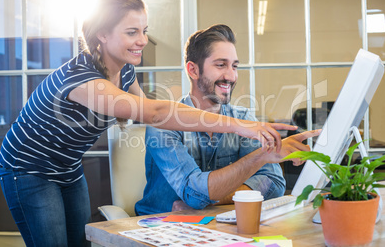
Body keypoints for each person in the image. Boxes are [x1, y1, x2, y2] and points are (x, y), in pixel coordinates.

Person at [0, 0, 296, 247]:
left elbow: (148, 112)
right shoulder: (84, 81)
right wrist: (244, 126)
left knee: (78, 242)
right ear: (103, 34)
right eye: (132, 32)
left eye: (144, 30)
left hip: (68, 166)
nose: (142, 40)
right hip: (28, 168)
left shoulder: (125, 69)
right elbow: (156, 113)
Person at [135, 24, 320, 215]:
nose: (231, 76)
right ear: (193, 70)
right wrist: (261, 157)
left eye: (234, 66)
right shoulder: (164, 124)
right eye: (221, 65)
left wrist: (213, 201)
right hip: (160, 228)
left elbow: (273, 183)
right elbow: (193, 193)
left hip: (217, 224)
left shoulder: (243, 118)